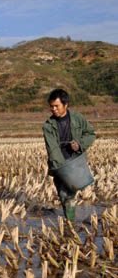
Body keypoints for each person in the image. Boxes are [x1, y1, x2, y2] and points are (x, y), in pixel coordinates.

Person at [42, 88, 95, 221]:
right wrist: (64, 171)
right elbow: (53, 150)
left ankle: (71, 223)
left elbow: (90, 134)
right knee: (65, 195)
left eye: (56, 106)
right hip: (60, 164)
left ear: (66, 105)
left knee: (73, 192)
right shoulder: (48, 126)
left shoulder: (78, 118)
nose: (53, 109)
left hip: (77, 162)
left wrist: (79, 144)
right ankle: (70, 224)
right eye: (51, 106)